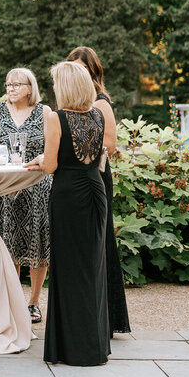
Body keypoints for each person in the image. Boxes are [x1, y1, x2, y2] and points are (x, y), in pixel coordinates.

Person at [31, 61, 110, 366]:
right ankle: (93, 346)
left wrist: (39, 158)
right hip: (95, 191)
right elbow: (93, 155)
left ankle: (70, 348)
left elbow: (51, 165)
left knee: (67, 268)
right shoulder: (97, 115)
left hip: (68, 195)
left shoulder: (56, 117)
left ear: (64, 87)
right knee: (92, 267)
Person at [65, 47, 131, 335]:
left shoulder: (100, 103)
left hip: (96, 175)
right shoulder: (70, 103)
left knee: (100, 243)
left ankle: (108, 316)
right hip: (74, 177)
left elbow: (112, 144)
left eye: (83, 69)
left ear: (93, 73)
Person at [0, 67, 52, 324]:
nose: (11, 88)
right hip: (7, 187)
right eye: (8, 84)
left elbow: (52, 148)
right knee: (9, 243)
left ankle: (34, 302)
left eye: (16, 84)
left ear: (30, 87)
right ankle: (13, 300)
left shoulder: (44, 111)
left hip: (37, 186)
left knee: (37, 244)